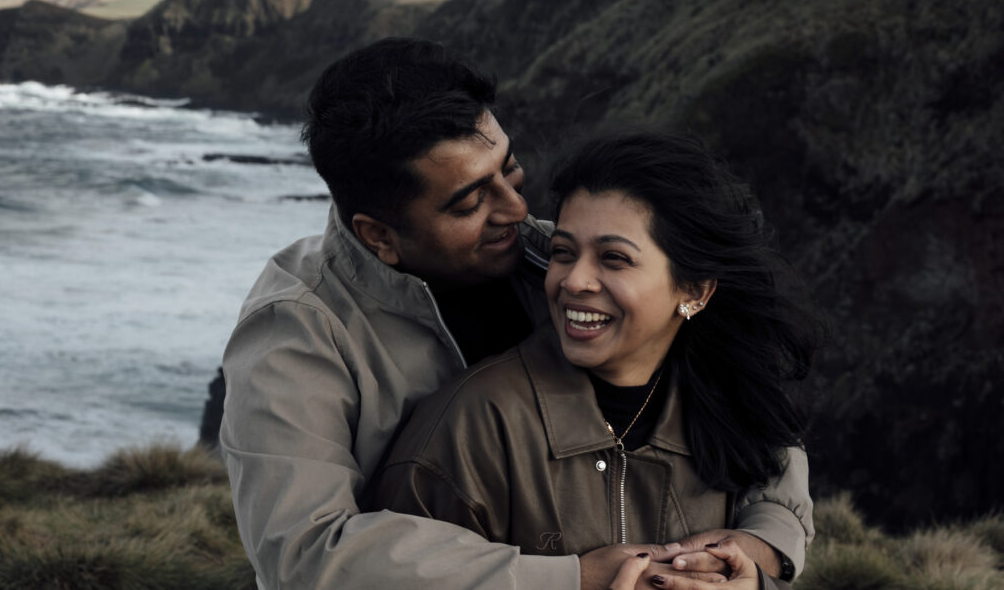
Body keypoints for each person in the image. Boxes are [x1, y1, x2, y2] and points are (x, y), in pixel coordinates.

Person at [219, 38, 813, 589]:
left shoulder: (555, 260)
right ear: (381, 236)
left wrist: (758, 546)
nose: (517, 208)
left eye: (507, 167)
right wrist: (569, 580)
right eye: (471, 200)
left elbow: (747, 398)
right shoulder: (297, 329)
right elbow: (305, 554)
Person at [374, 133, 820, 589]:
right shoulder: (473, 427)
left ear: (694, 291)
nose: (574, 281)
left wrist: (755, 580)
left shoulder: (735, 398)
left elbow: (780, 510)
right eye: (563, 252)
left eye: (613, 258)